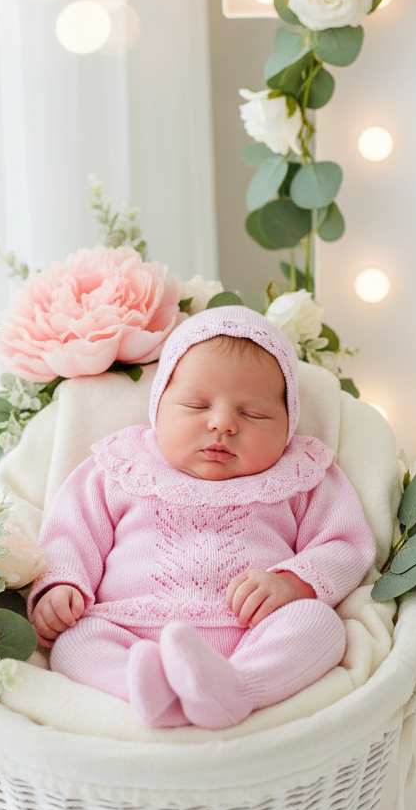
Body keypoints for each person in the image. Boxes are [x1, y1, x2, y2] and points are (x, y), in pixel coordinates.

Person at [28, 306, 377, 729]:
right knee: (76, 640)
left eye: (253, 414)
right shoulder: (122, 465)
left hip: (251, 631)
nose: (222, 424)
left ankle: (238, 687)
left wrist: (292, 583)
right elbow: (70, 532)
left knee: (320, 625)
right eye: (196, 405)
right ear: (158, 406)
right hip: (130, 627)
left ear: (288, 424)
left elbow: (345, 544)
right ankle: (146, 686)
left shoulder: (300, 475)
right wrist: (63, 586)